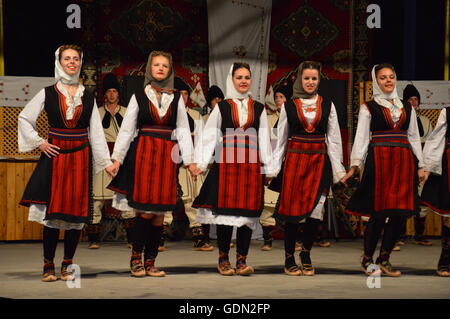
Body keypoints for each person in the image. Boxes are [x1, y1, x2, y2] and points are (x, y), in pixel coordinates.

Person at [18, 44, 114, 282]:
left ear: (80, 63)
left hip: (80, 158)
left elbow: (95, 132)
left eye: (76, 59)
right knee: (53, 212)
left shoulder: (88, 96)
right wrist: (40, 142)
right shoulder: (48, 92)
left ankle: (68, 264)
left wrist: (106, 162)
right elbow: (24, 118)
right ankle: (48, 264)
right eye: (67, 59)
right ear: (59, 62)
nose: (72, 62)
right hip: (56, 157)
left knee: (74, 214)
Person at [107, 51, 196, 277]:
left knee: (158, 215)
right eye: (156, 65)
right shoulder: (139, 95)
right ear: (149, 68)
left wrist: (190, 160)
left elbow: (184, 131)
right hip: (144, 154)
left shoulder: (176, 98)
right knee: (145, 213)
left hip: (166, 156)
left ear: (170, 70)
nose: (160, 68)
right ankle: (136, 259)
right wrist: (117, 158)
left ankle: (151, 262)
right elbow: (127, 130)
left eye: (164, 66)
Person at [341, 64, 426, 277]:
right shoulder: (368, 107)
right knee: (378, 213)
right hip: (379, 161)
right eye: (383, 78)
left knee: (400, 213)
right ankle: (368, 259)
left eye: (391, 77)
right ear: (376, 81)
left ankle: (385, 258)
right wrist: (355, 165)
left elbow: (413, 137)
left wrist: (422, 164)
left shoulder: (407, 107)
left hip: (404, 162)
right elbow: (361, 139)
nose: (388, 81)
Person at [192, 62, 275, 276]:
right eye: (239, 77)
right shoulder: (222, 107)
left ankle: (242, 260)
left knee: (247, 214)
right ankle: (223, 259)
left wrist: (269, 168)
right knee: (226, 213)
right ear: (232, 79)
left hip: (250, 164)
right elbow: (209, 136)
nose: (243, 81)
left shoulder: (258, 108)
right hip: (227, 162)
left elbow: (264, 138)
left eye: (247, 77)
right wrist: (200, 163)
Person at [271, 61, 346, 275]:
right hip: (295, 164)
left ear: (319, 80)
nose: (310, 82)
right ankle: (288, 258)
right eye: (306, 78)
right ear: (299, 80)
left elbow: (334, 139)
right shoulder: (288, 106)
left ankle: (305, 253)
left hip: (319, 163)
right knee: (294, 213)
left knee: (315, 211)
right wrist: (274, 168)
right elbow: (282, 140)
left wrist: (339, 169)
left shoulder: (328, 105)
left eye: (314, 78)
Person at [160, 77, 214, 252]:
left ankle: (199, 239)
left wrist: (196, 162)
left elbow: (202, 141)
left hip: (188, 164)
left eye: (185, 94)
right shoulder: (166, 113)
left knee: (191, 200)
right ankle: (159, 239)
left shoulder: (196, 115)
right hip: (170, 162)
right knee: (165, 200)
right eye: (179, 93)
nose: (182, 97)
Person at [87, 73, 135, 249]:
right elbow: (91, 136)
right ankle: (93, 239)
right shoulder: (97, 113)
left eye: (115, 91)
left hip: (120, 158)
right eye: (109, 91)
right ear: (104, 94)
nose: (112, 94)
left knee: (126, 199)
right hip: (102, 158)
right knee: (97, 200)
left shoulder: (127, 112)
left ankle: (131, 239)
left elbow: (132, 134)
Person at [394, 84, 434, 248]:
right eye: (409, 99)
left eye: (415, 99)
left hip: (421, 163)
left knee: (421, 198)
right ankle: (400, 235)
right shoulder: (400, 120)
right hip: (405, 162)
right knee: (402, 196)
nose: (413, 102)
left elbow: (430, 143)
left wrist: (427, 165)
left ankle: (419, 234)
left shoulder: (425, 121)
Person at [260, 84, 292, 251]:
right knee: (269, 201)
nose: (279, 100)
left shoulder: (294, 116)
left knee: (292, 201)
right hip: (273, 163)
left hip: (291, 164)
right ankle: (268, 239)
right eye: (277, 97)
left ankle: (297, 239)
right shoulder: (269, 118)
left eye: (282, 97)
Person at [421, 106, 450, 276]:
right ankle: (445, 260)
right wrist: (427, 167)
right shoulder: (447, 112)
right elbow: (436, 139)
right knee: (449, 216)